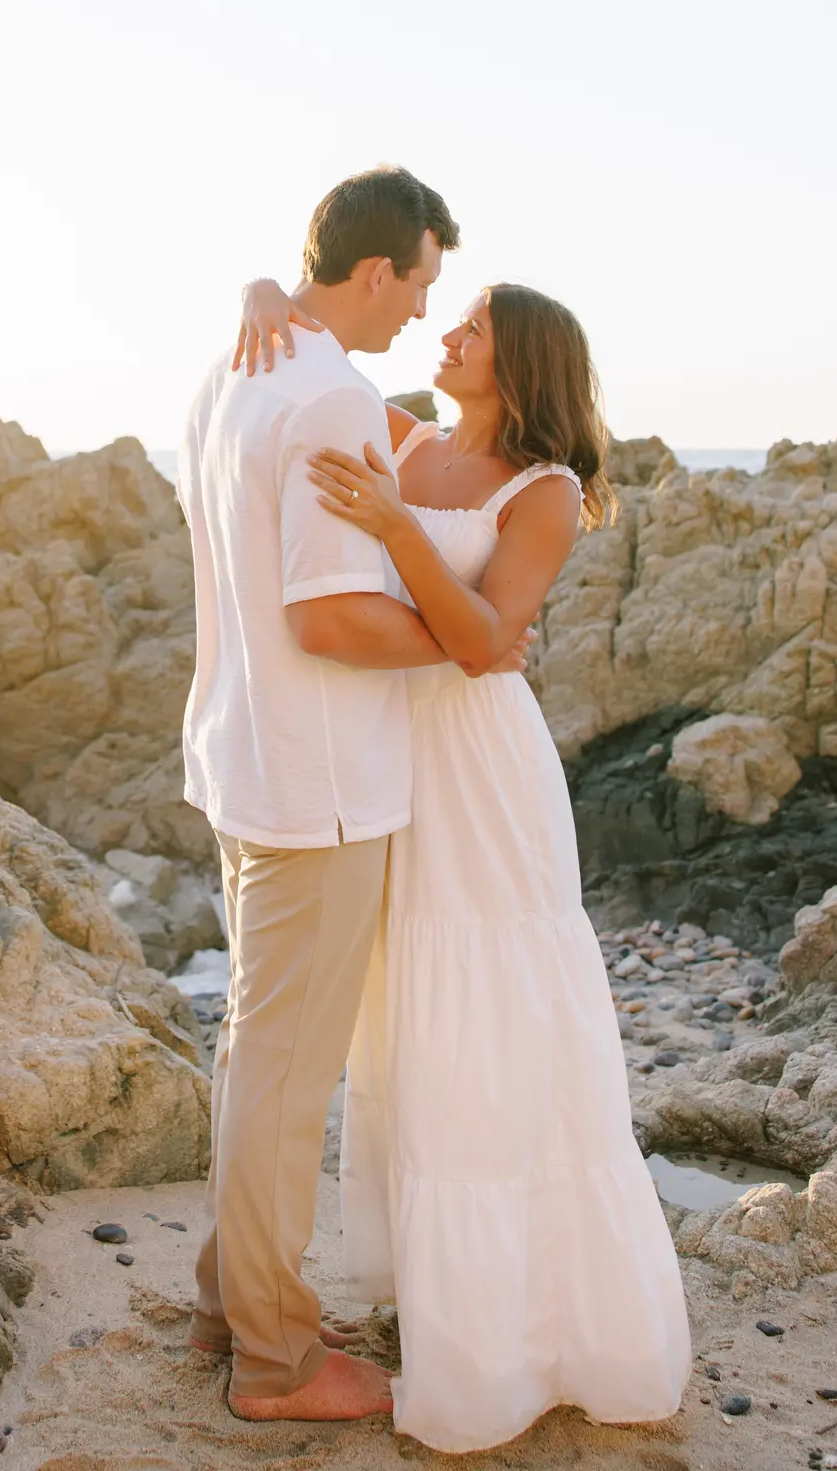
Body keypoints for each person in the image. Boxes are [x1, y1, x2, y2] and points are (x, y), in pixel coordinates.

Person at [232, 273, 692, 1453]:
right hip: (395, 759)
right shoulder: (409, 434)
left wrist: (393, 531)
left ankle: (526, 1320)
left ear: (519, 359)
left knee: (496, 1013)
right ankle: (443, 1298)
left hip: (483, 772)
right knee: (417, 1020)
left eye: (472, 325)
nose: (446, 333)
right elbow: (317, 352)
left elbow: (489, 644)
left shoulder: (545, 491)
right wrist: (262, 288)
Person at [178, 164, 526, 1423]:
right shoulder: (329, 393)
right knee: (283, 1077)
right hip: (315, 784)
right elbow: (326, 613)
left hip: (243, 757)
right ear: (376, 268)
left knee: (253, 1053)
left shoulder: (232, 368)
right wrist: (464, 639)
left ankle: (235, 1291)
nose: (417, 311)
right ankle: (272, 1360)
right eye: (419, 281)